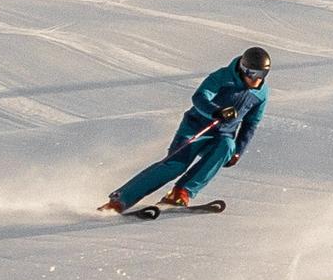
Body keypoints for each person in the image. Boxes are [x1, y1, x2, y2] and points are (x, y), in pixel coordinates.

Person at [103, 46, 271, 212]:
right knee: (175, 165)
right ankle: (121, 199)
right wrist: (215, 112)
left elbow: (251, 123)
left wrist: (238, 151)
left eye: (262, 74)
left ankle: (181, 192)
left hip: (222, 134)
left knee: (228, 147)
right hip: (196, 126)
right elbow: (199, 97)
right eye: (253, 73)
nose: (257, 79)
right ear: (243, 69)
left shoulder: (261, 93)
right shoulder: (222, 77)